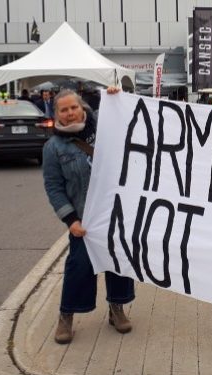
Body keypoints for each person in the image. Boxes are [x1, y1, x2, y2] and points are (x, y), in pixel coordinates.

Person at [42, 87, 134, 344]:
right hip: (84, 220)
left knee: (117, 262)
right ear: (57, 114)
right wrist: (71, 220)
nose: (70, 113)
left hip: (115, 213)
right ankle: (66, 314)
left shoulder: (103, 132)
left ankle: (117, 308)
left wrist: (118, 97)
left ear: (82, 108)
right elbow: (54, 187)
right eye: (64, 109)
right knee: (79, 267)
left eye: (74, 107)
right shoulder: (53, 147)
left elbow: (128, 126)